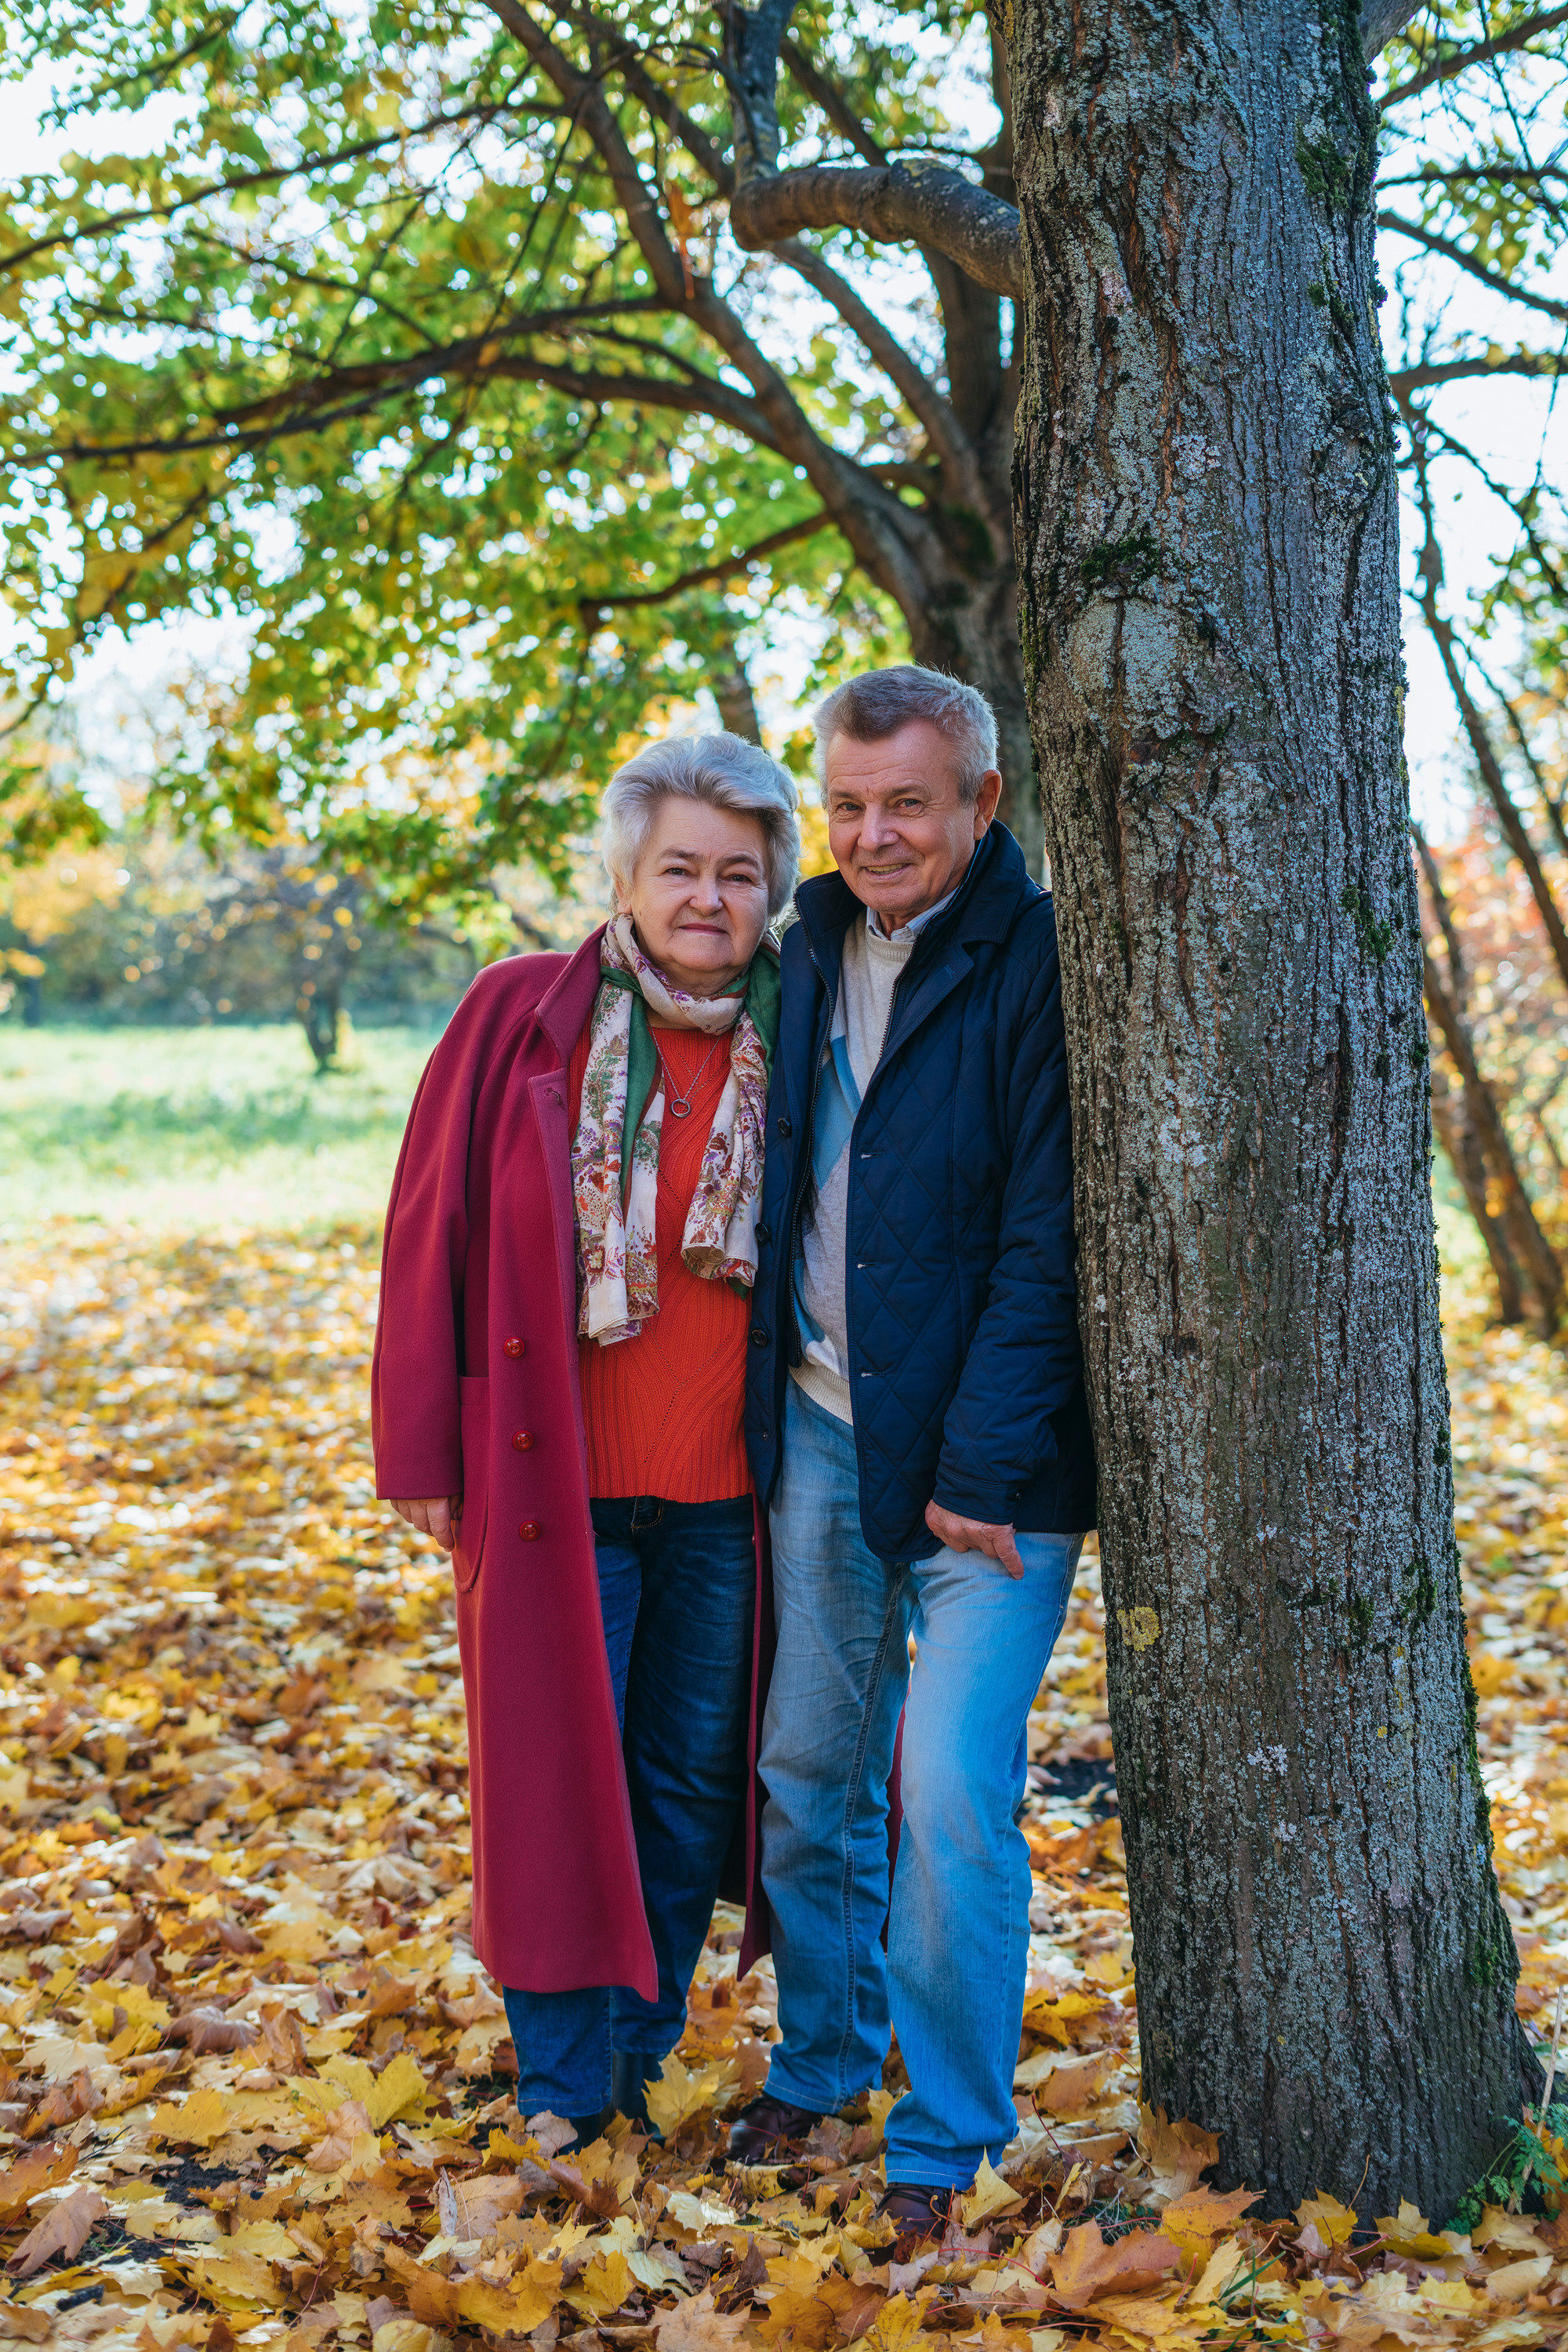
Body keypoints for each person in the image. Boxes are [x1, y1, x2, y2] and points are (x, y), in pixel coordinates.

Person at [372, 731, 799, 2143]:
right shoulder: (518, 1015)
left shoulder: (805, 1032)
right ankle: (562, 2092)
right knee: (563, 1785)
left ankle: (639, 2055)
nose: (706, 896)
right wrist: (423, 1457)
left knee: (681, 1793)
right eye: (679, 865)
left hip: (726, 1499)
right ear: (625, 871)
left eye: (739, 872)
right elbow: (428, 1233)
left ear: (773, 890)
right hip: (550, 1484)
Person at [729, 665, 1097, 2241]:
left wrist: (981, 1464)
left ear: (981, 804)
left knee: (946, 1795)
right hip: (819, 1434)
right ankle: (820, 2065)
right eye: (852, 804)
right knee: (810, 1779)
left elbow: (1046, 1233)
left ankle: (946, 2138)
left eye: (909, 804)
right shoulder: (803, 939)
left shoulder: (1039, 960)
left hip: (988, 1483)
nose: (876, 833)